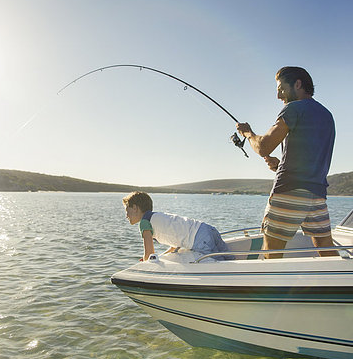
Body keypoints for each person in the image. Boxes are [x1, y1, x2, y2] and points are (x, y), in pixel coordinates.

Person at [236, 66, 337, 258]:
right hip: (317, 194)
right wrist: (279, 165)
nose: (278, 96)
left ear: (297, 84)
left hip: (288, 191)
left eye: (281, 89)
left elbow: (263, 147)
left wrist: (248, 133)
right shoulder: (327, 115)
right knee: (327, 249)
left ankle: (271, 286)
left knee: (271, 251)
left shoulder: (293, 108)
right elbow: (311, 155)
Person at [122, 191, 233, 261]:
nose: (126, 215)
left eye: (127, 210)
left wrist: (147, 261)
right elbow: (174, 245)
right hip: (207, 229)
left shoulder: (145, 222)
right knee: (230, 259)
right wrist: (159, 257)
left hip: (198, 239)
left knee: (219, 265)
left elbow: (149, 252)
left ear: (135, 208)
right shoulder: (158, 217)